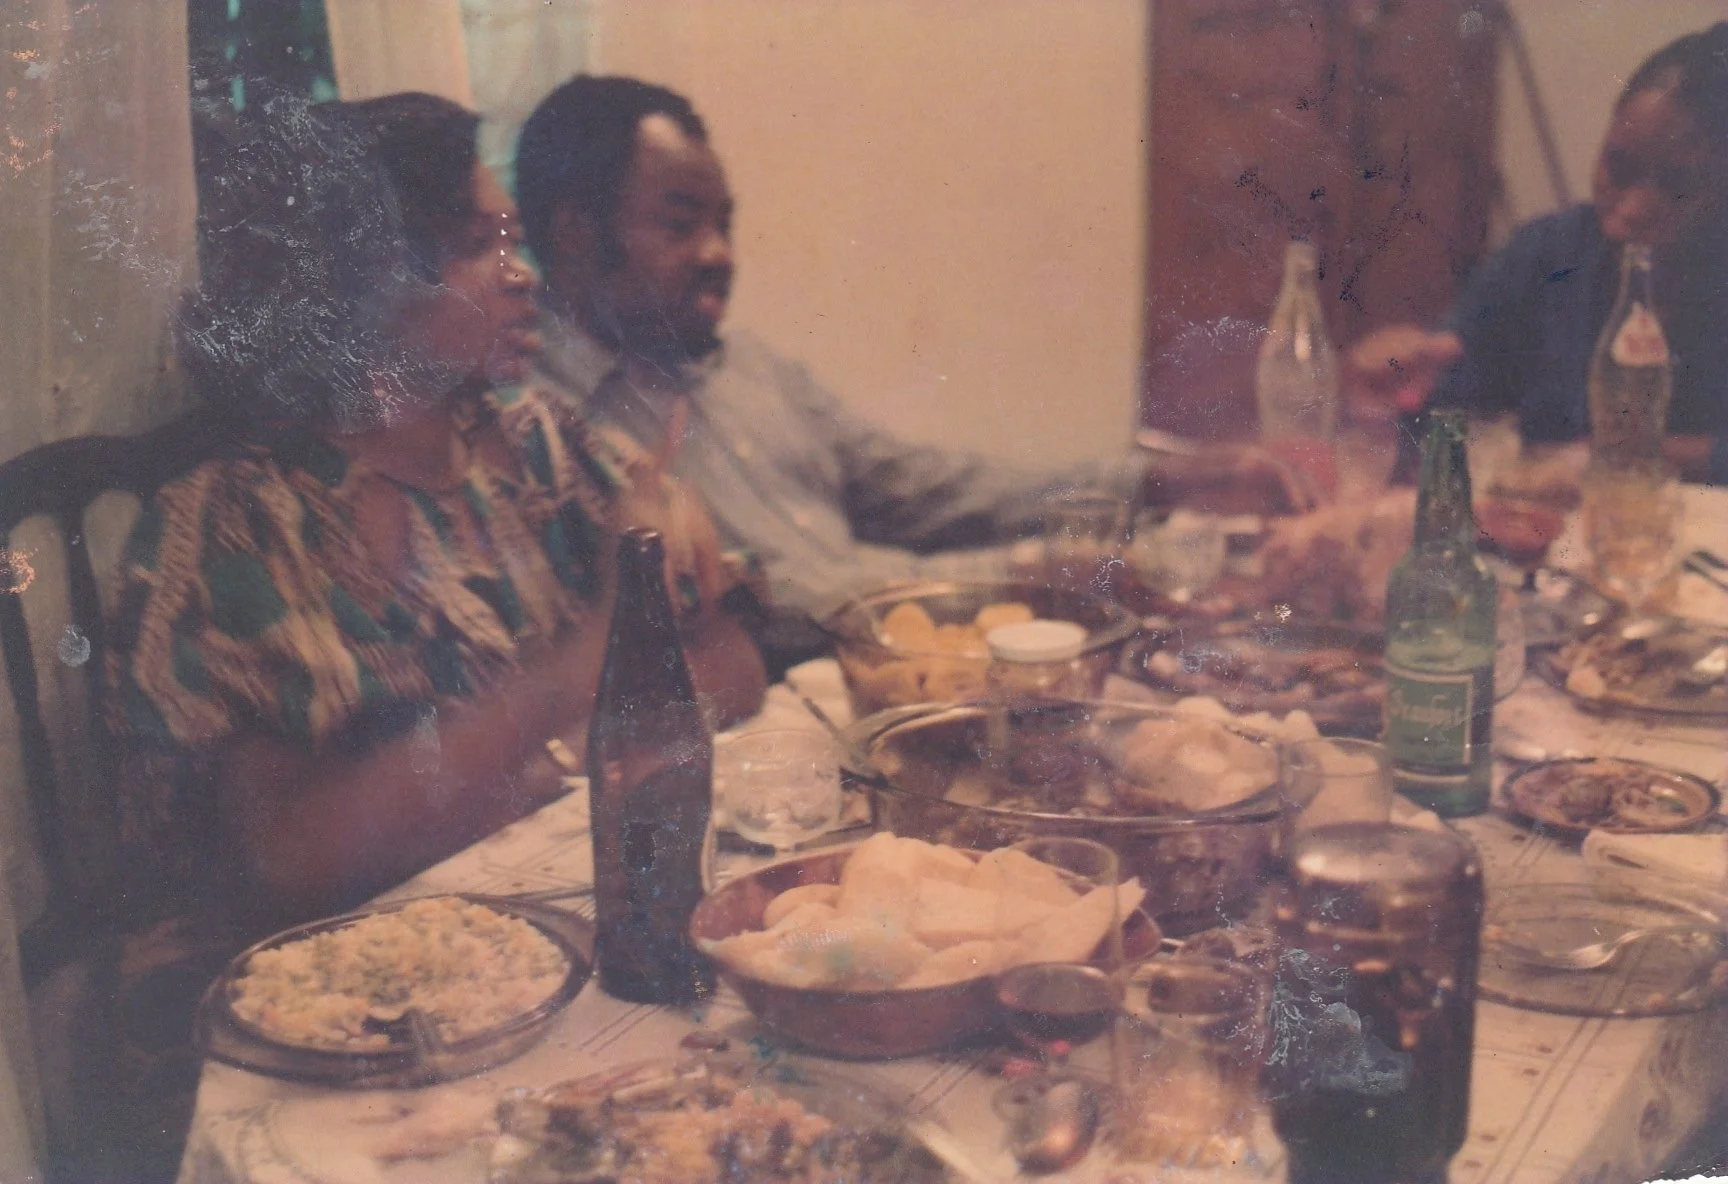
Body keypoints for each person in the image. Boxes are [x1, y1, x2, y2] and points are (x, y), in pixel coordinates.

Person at [83, 91, 763, 1182]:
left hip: (519, 967)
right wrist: (573, 681)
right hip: (309, 1037)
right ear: (357, 286)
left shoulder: (535, 446)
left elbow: (733, 666)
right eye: (475, 244)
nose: (523, 269)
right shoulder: (231, 525)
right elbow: (289, 862)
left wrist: (595, 688)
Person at [513, 75, 1313, 622]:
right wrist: (1037, 570)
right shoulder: (548, 426)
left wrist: (1158, 480)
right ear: (576, 234)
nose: (720, 252)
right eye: (682, 223)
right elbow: (776, 597)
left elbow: (929, 489)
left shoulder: (746, 367)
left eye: (725, 223)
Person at [1351, 23, 1728, 483]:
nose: (1630, 209)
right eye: (1619, 166)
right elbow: (1454, 375)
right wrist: (1408, 369)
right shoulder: (1549, 252)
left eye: (1675, 185)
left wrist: (1638, 453)